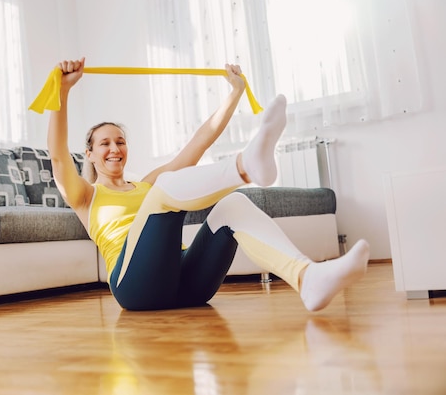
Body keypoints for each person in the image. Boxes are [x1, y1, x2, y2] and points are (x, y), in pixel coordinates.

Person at [47, 57, 370, 312]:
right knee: (164, 189)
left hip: (188, 284)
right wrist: (63, 90)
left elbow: (198, 143)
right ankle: (245, 165)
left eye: (120, 141)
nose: (115, 149)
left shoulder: (147, 187)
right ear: (89, 154)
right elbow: (59, 159)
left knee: (234, 204)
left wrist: (235, 93)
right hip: (135, 288)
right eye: (104, 144)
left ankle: (306, 277)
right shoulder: (87, 197)